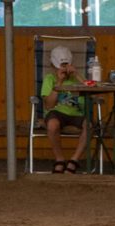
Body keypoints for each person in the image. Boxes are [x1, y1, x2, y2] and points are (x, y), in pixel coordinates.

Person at [41, 45, 87, 174]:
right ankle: (59, 159)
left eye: (66, 65)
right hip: (56, 112)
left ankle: (74, 161)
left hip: (77, 113)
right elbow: (49, 105)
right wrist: (59, 83)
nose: (64, 68)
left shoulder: (78, 78)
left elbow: (91, 91)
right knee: (52, 125)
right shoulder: (50, 79)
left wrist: (77, 75)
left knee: (89, 126)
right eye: (61, 65)